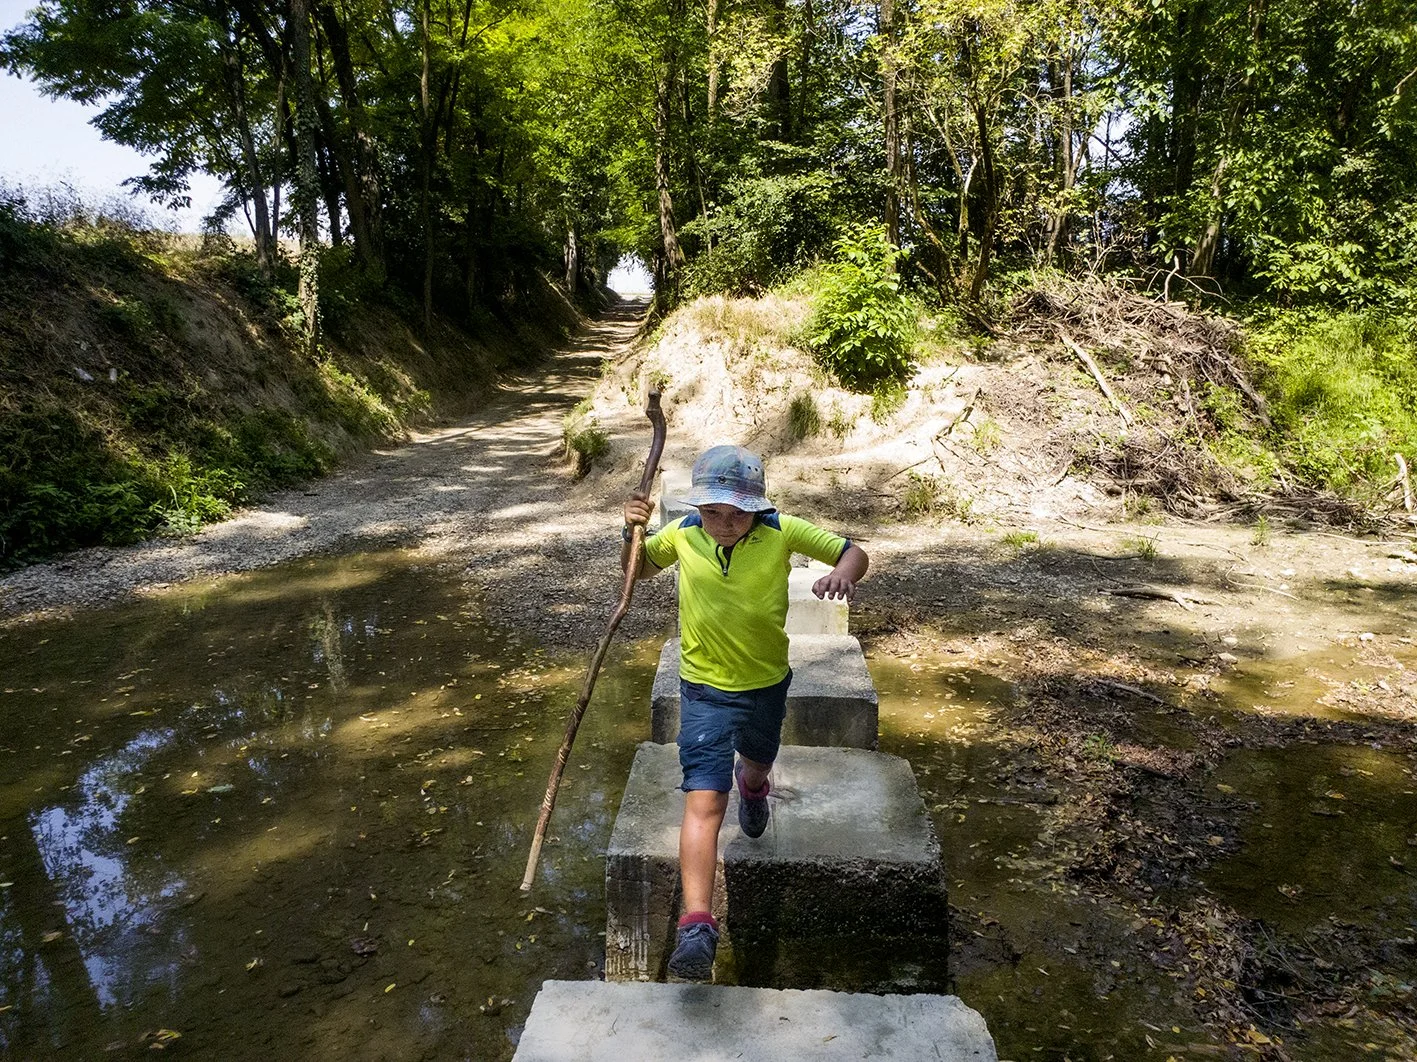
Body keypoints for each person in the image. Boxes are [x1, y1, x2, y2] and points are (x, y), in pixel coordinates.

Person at [621, 444, 869, 981]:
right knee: (704, 800)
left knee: (755, 763)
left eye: (738, 513)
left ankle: (754, 786)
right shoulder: (684, 535)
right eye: (714, 512)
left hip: (765, 685)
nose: (726, 524)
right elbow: (636, 572)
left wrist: (843, 575)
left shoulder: (782, 530)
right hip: (704, 689)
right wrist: (631, 533)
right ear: (699, 508)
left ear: (757, 506)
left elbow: (853, 551)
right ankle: (697, 926)